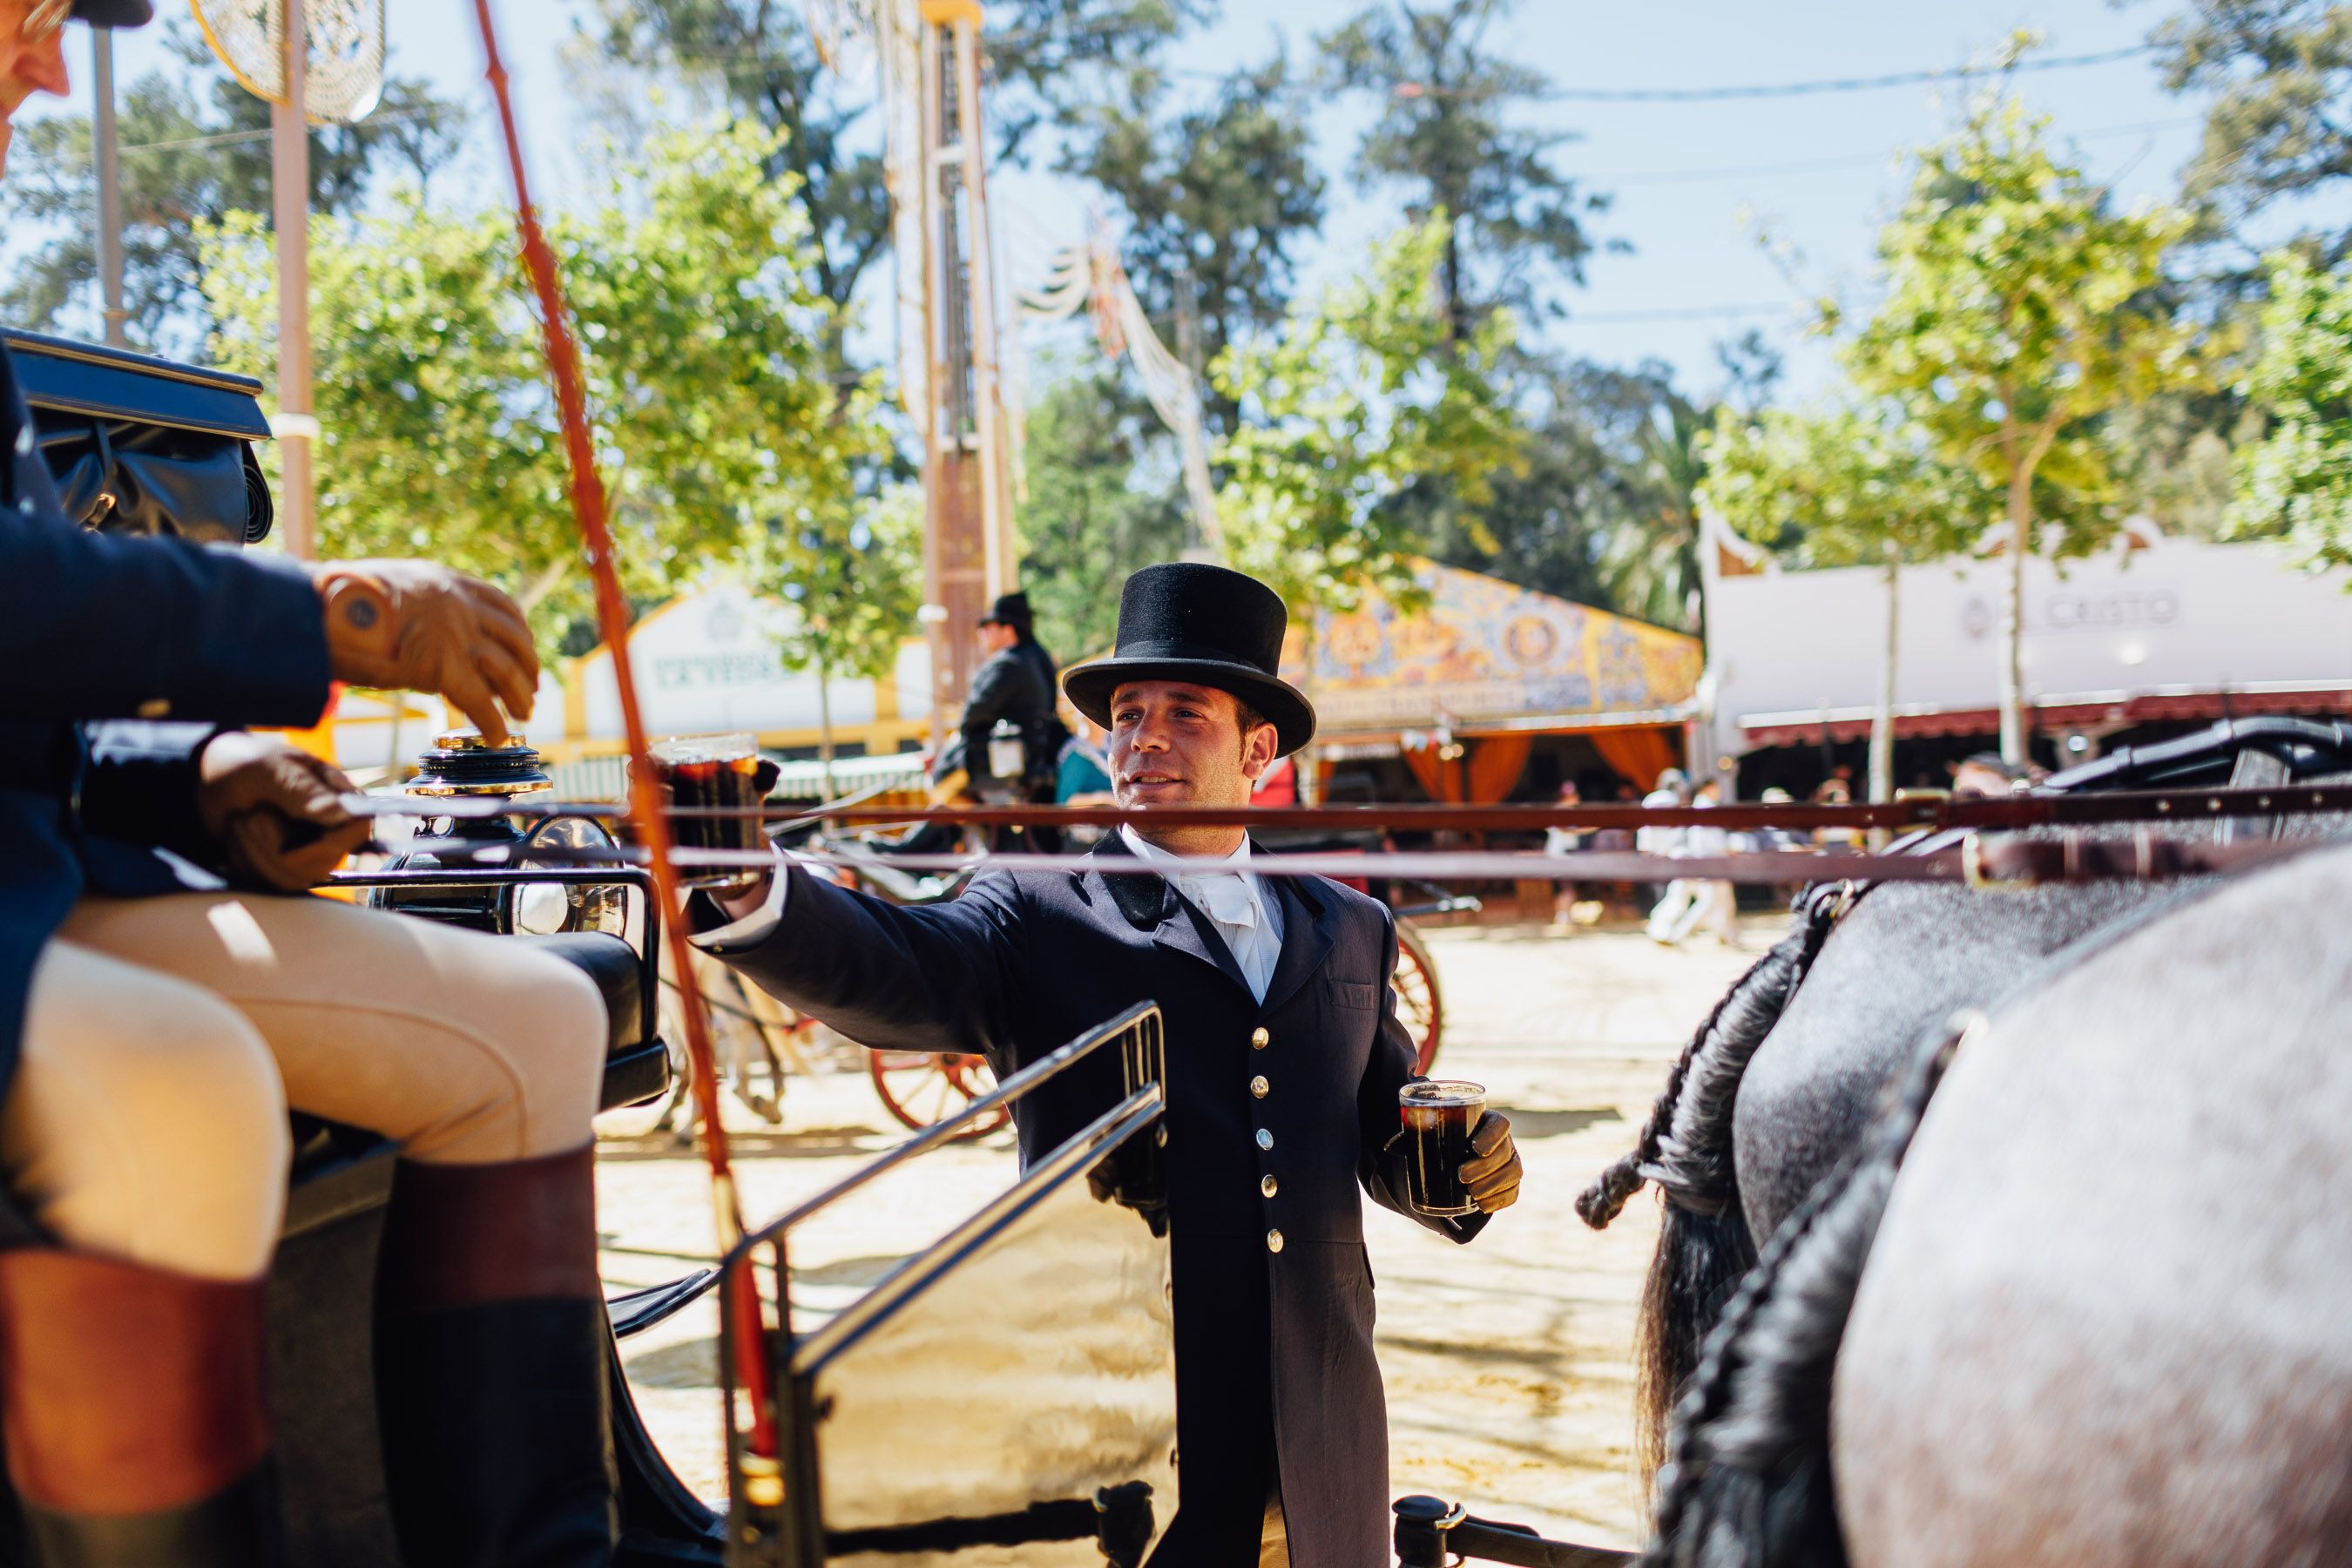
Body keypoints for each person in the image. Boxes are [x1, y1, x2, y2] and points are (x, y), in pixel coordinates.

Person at [0, 9, 617, 1564]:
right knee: (180, 1092)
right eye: (20, 15)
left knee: (542, 1019)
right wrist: (327, 615)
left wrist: (201, 776)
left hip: (30, 889)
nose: (52, 68)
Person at [689, 564, 1523, 1568]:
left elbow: (1389, 1139)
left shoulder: (1349, 927)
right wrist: (749, 882)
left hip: (1327, 1443)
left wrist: (1468, 1171)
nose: (1147, 739)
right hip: (1135, 1455)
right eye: (1128, 714)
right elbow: (895, 968)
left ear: (1259, 749)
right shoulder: (1037, 911)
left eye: (1186, 713)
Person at [1678, 778, 1741, 949]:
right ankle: (1678, 934)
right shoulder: (1706, 806)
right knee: (1711, 901)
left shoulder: (1700, 806)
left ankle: (1727, 936)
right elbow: (1713, 839)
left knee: (1723, 900)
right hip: (1712, 858)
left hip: (1708, 858)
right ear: (1708, 788)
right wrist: (1727, 849)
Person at [1639, 767, 1694, 945]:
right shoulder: (1672, 800)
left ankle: (1657, 926)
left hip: (1654, 851)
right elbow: (1677, 829)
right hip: (1670, 852)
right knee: (1672, 893)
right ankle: (1660, 929)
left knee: (1660, 891)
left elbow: (1644, 827)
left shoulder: (1650, 799)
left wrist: (1646, 849)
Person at [1543, 780, 1585, 933]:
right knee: (1565, 886)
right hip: (1562, 853)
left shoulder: (1566, 810)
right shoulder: (1561, 810)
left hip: (1562, 852)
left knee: (1564, 886)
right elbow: (1567, 830)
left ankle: (1564, 914)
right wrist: (1590, 829)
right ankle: (1563, 915)